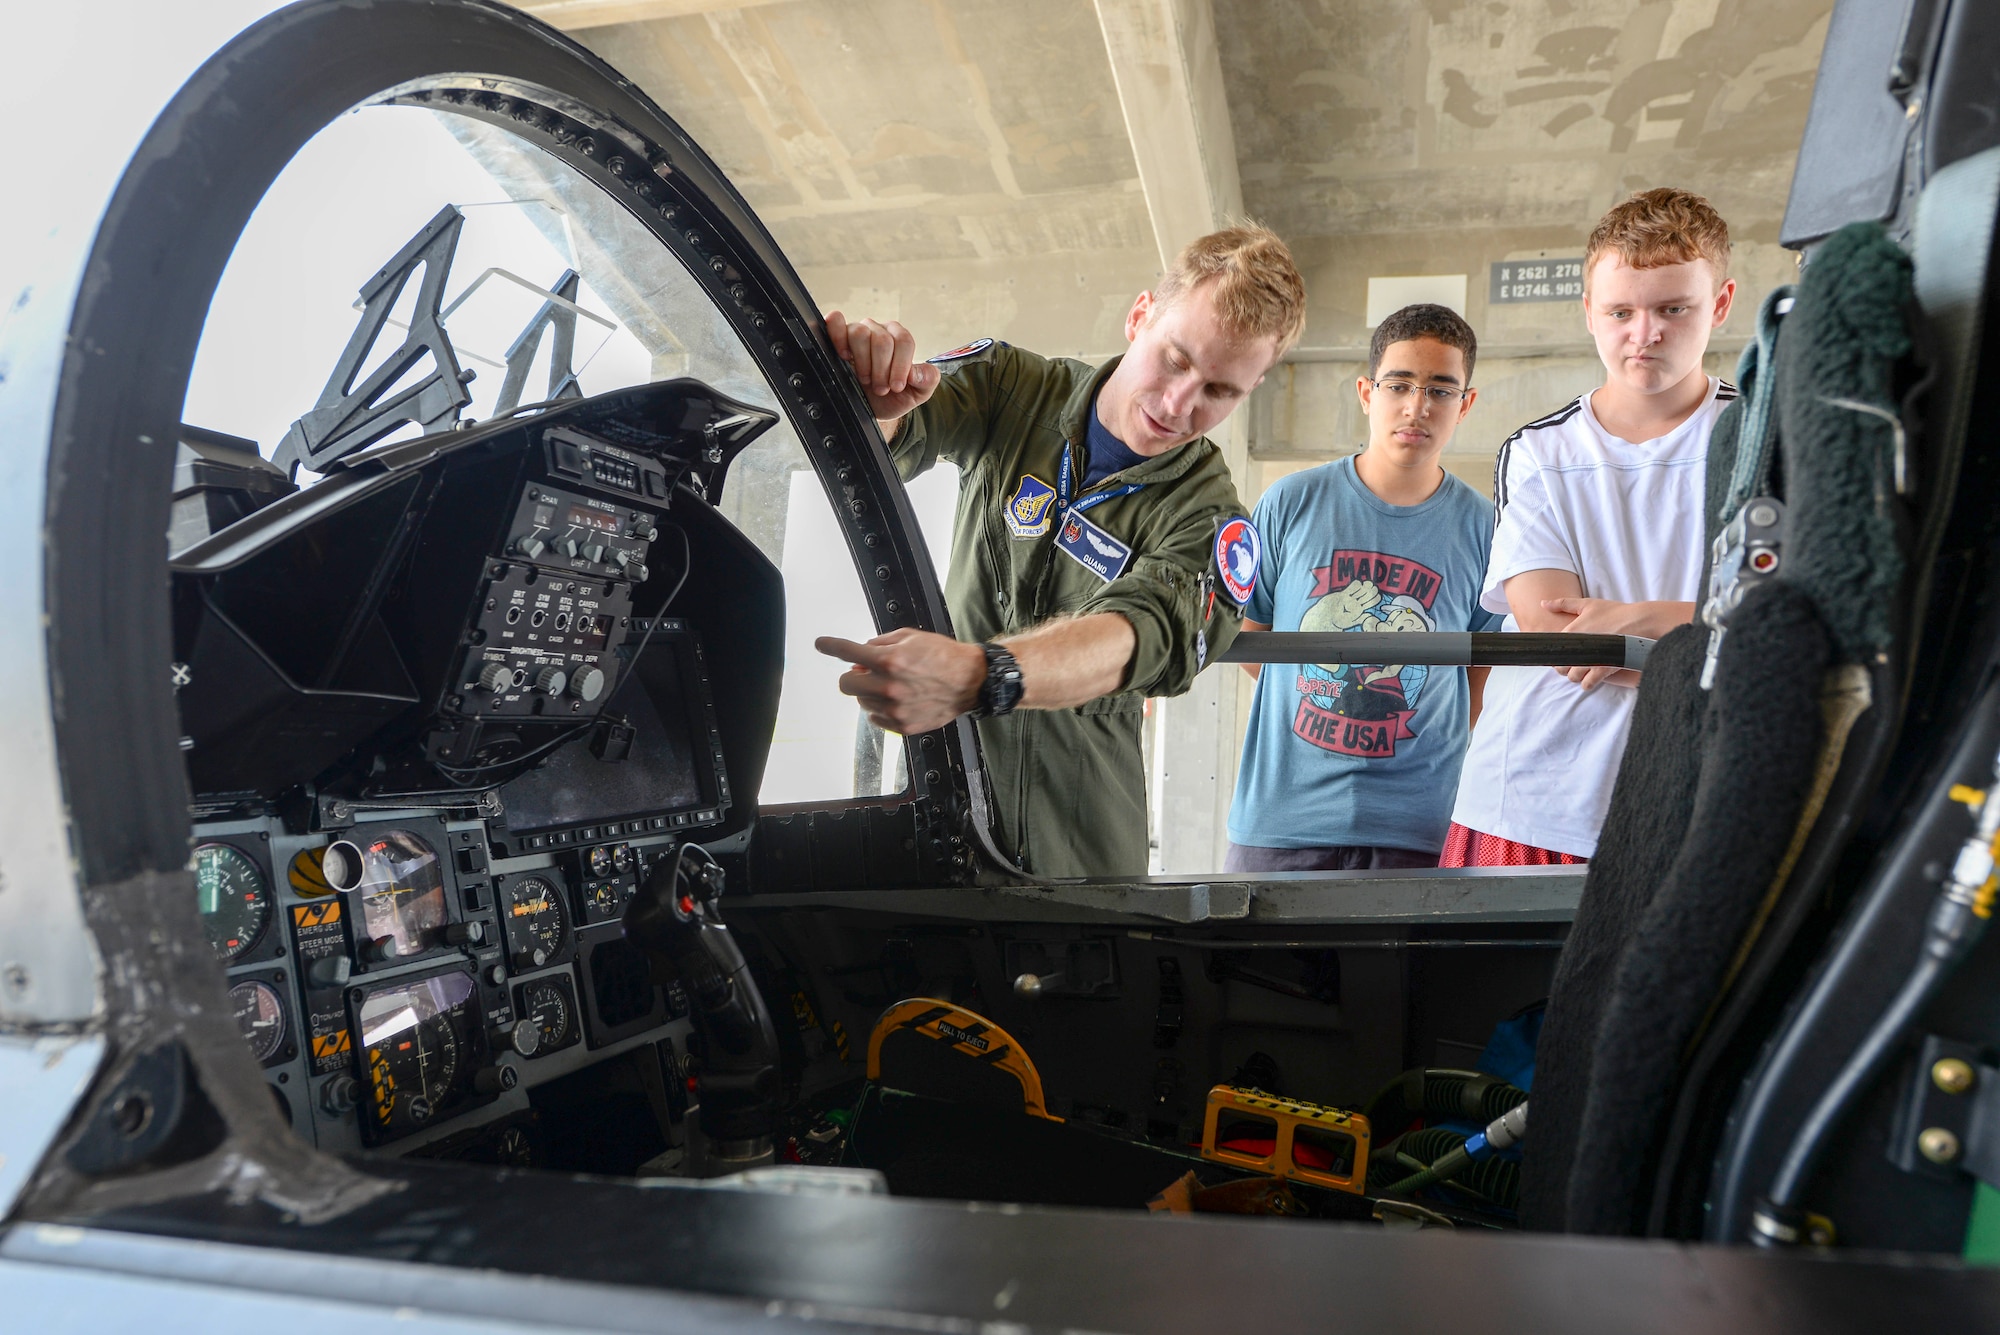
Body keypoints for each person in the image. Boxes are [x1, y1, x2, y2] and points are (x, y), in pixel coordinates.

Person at [814, 226, 1307, 878]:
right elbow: (895, 436)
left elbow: (1144, 630)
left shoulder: (1212, 520)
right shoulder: (1009, 385)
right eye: (1176, 359)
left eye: (1220, 391)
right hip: (933, 825)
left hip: (1079, 865)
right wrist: (873, 400)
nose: (1178, 403)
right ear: (1140, 316)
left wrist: (980, 676)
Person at [1442, 188, 1739, 866]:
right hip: (1537, 795)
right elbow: (1558, 638)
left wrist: (1649, 622)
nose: (1645, 332)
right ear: (1589, 312)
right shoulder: (1540, 452)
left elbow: (1785, 621)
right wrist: (1700, 627)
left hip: (1700, 794)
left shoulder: (1760, 437)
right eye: (1621, 311)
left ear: (1718, 304)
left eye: (1673, 308)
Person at [1225, 303, 1500, 872]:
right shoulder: (1290, 501)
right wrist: (1327, 689)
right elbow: (1251, 640)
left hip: (1420, 829)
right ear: (1365, 391)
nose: (1416, 406)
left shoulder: (1487, 527)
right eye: (1398, 384)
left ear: (1465, 404)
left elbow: (1482, 677)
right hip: (1282, 822)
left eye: (1441, 390)